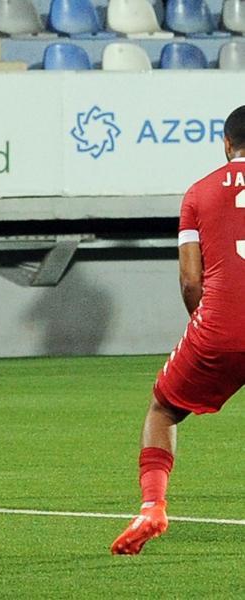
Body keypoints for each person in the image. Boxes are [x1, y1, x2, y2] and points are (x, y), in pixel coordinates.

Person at [110, 105, 245, 555]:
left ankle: (152, 506)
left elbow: (191, 281)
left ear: (226, 144)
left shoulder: (198, 193)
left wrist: (209, 330)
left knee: (163, 409)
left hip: (220, 328)